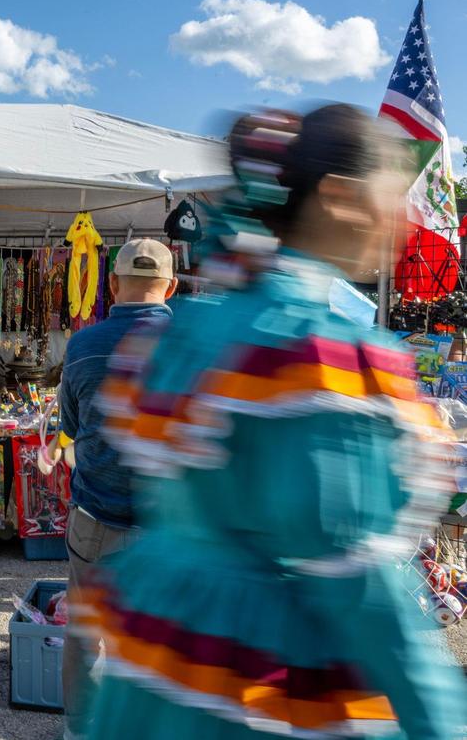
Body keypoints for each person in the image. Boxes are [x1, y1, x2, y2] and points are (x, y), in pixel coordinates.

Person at [73, 104, 467, 738]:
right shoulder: (320, 349)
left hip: (164, 649)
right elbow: (359, 584)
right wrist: (441, 720)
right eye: (394, 195)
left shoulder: (192, 333)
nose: (402, 220)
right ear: (339, 197)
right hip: (263, 673)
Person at [57, 237, 176, 740]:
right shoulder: (192, 346)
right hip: (169, 526)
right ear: (170, 285)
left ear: (111, 285)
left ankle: (81, 732)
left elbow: (71, 422)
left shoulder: (83, 345)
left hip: (97, 516)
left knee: (87, 634)